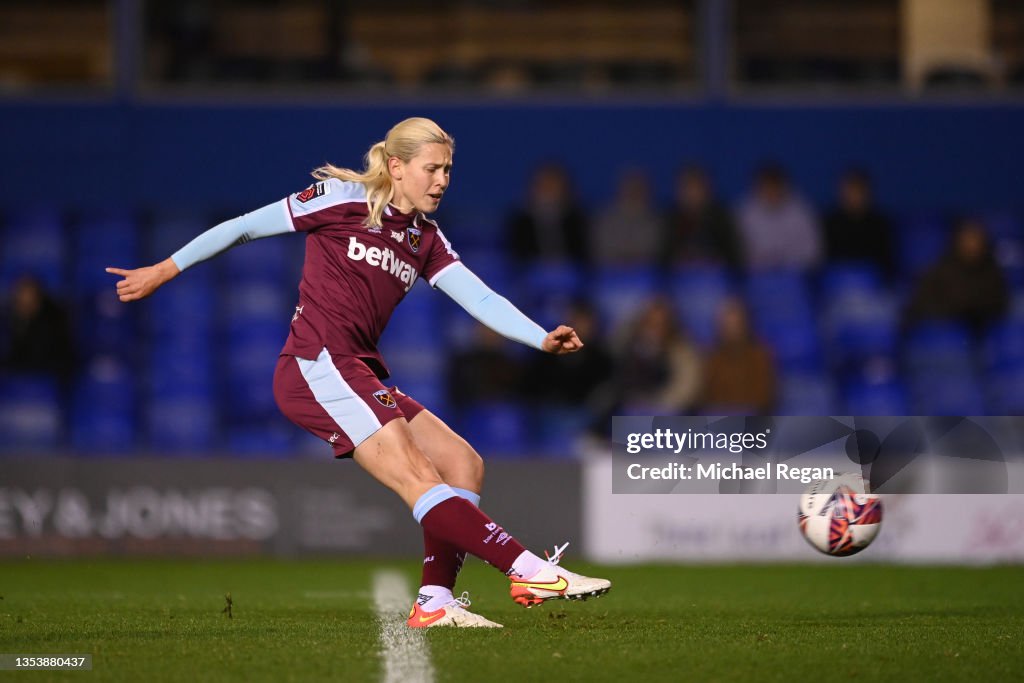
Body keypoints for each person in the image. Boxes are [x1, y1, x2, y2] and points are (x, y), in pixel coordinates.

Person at [106, 117, 610, 629]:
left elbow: (479, 296)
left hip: (360, 369)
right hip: (316, 363)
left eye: (448, 170)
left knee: (462, 463)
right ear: (397, 166)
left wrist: (540, 336)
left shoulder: (425, 238)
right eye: (432, 168)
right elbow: (244, 227)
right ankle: (527, 569)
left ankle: (435, 601)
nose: (442, 180)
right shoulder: (340, 198)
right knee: (416, 474)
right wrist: (164, 269)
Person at [904, 218, 1009, 335]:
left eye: (976, 240)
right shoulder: (940, 270)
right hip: (942, 333)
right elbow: (919, 304)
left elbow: (1000, 306)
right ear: (957, 241)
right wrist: (954, 308)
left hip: (981, 336)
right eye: (966, 240)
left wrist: (971, 308)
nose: (971, 245)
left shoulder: (993, 274)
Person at [735, 163, 822, 272]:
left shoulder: (802, 211)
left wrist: (786, 262)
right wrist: (761, 261)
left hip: (795, 273)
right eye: (765, 187)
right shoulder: (744, 212)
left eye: (774, 186)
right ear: (757, 188)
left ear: (784, 187)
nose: (770, 192)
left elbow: (813, 250)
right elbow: (738, 250)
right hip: (756, 274)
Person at [702, 297, 777, 414]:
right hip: (720, 419)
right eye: (727, 325)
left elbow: (764, 397)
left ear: (745, 324)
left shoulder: (760, 355)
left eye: (736, 324)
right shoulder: (712, 358)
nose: (732, 330)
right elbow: (707, 395)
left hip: (752, 419)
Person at [504, 162, 588, 266]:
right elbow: (516, 259)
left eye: (554, 186)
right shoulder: (520, 223)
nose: (549, 192)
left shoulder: (577, 221)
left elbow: (584, 259)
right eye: (545, 186)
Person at [660, 165, 742, 270]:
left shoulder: (720, 216)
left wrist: (714, 258)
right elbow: (663, 256)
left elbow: (733, 253)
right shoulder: (671, 217)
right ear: (679, 191)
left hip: (716, 279)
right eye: (688, 187)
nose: (693, 193)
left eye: (697, 187)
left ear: (707, 189)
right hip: (679, 280)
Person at [822, 168, 895, 279]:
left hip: (873, 282)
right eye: (850, 190)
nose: (853, 196)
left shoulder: (880, 223)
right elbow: (825, 259)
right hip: (838, 281)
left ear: (867, 192)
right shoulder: (830, 222)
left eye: (858, 190)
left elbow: (887, 261)